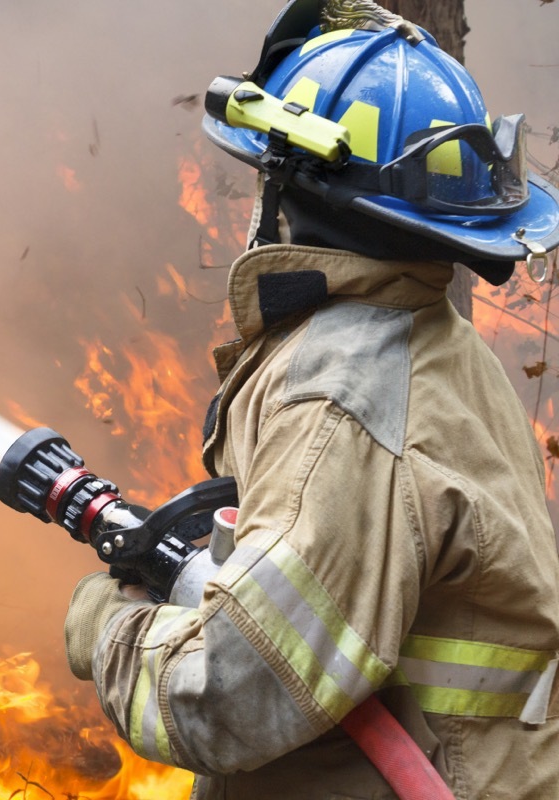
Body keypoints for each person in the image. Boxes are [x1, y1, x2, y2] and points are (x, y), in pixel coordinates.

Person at [62, 0, 559, 797]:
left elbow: (229, 696)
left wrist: (104, 624)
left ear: (292, 191)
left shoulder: (343, 401)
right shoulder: (426, 337)